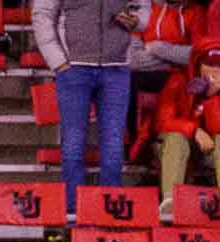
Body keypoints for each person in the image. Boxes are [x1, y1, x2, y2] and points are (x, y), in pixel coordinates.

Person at [32, 0, 141, 216]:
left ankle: (111, 213)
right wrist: (58, 61)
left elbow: (143, 9)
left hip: (116, 69)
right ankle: (73, 213)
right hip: (74, 69)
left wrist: (136, 21)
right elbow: (42, 14)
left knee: (114, 144)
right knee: (73, 142)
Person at [155, 43, 220, 220]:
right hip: (171, 147)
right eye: (209, 64)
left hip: (205, 149)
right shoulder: (178, 80)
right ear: (198, 64)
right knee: (177, 139)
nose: (215, 70)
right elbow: (164, 121)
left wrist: (213, 97)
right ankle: (170, 203)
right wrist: (194, 130)